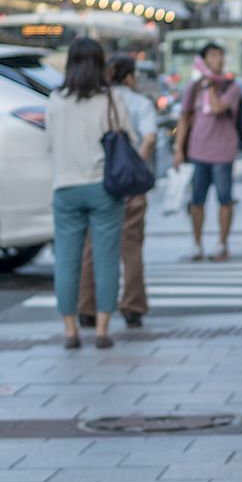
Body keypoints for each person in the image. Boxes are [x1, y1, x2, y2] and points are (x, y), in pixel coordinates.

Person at [47, 38, 135, 349]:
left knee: (67, 261)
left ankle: (70, 331)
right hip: (103, 187)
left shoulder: (56, 100)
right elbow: (129, 137)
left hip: (65, 186)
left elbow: (50, 142)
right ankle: (101, 330)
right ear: (101, 64)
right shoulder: (110, 98)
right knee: (106, 259)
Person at [79, 54, 157, 330]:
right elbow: (149, 136)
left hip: (98, 179)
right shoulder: (139, 103)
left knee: (92, 245)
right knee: (131, 247)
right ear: (129, 76)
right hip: (129, 184)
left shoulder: (95, 100)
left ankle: (86, 307)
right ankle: (133, 306)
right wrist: (135, 163)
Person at [173, 42, 242, 262]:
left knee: (224, 199)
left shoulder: (231, 86)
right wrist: (178, 150)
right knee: (196, 200)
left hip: (223, 152)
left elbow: (217, 107)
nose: (218, 60)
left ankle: (222, 244)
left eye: (220, 55)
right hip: (197, 151)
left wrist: (210, 84)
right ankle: (196, 243)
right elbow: (184, 118)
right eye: (213, 55)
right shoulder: (193, 87)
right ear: (204, 60)